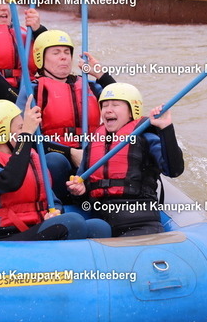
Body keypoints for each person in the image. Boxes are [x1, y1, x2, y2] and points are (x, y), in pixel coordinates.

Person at [0, 98, 111, 241]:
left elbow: (52, 200)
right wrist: (25, 136)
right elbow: (9, 181)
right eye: (21, 128)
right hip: (3, 238)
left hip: (35, 229)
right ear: (0, 133)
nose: (27, 132)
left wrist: (56, 212)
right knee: (74, 222)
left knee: (99, 227)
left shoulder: (30, 156)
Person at [67, 83, 185, 237]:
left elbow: (174, 170)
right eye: (104, 106)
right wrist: (79, 191)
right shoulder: (95, 140)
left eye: (115, 105)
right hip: (102, 221)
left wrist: (166, 129)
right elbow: (83, 187)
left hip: (139, 223)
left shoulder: (146, 136)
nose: (108, 110)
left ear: (132, 111)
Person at [16, 30, 115, 198]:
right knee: (55, 160)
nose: (64, 57)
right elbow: (22, 136)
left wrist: (101, 75)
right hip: (57, 156)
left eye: (67, 52)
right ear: (40, 58)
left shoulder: (89, 85)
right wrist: (69, 152)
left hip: (91, 152)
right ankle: (60, 202)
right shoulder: (33, 90)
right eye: (56, 53)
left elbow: (122, 105)